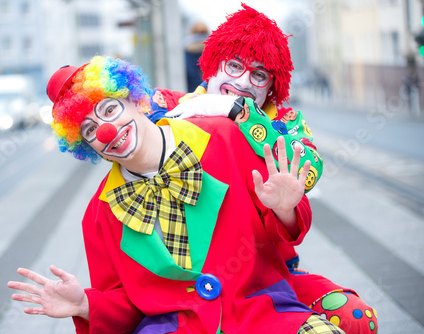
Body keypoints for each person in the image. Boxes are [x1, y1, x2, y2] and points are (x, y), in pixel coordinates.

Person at [8, 56, 346, 333]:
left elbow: (278, 235)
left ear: (135, 99)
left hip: (259, 311)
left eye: (110, 111)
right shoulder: (100, 214)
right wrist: (85, 304)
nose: (107, 131)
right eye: (90, 130)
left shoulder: (224, 138)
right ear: (86, 146)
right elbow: (127, 304)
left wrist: (285, 208)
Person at [145, 4, 378, 333]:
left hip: (270, 276)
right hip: (189, 283)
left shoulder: (286, 123)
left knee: (356, 318)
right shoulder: (168, 104)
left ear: (271, 86)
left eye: (258, 74)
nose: (242, 82)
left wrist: (235, 111)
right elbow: (133, 137)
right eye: (234, 66)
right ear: (212, 66)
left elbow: (308, 170)